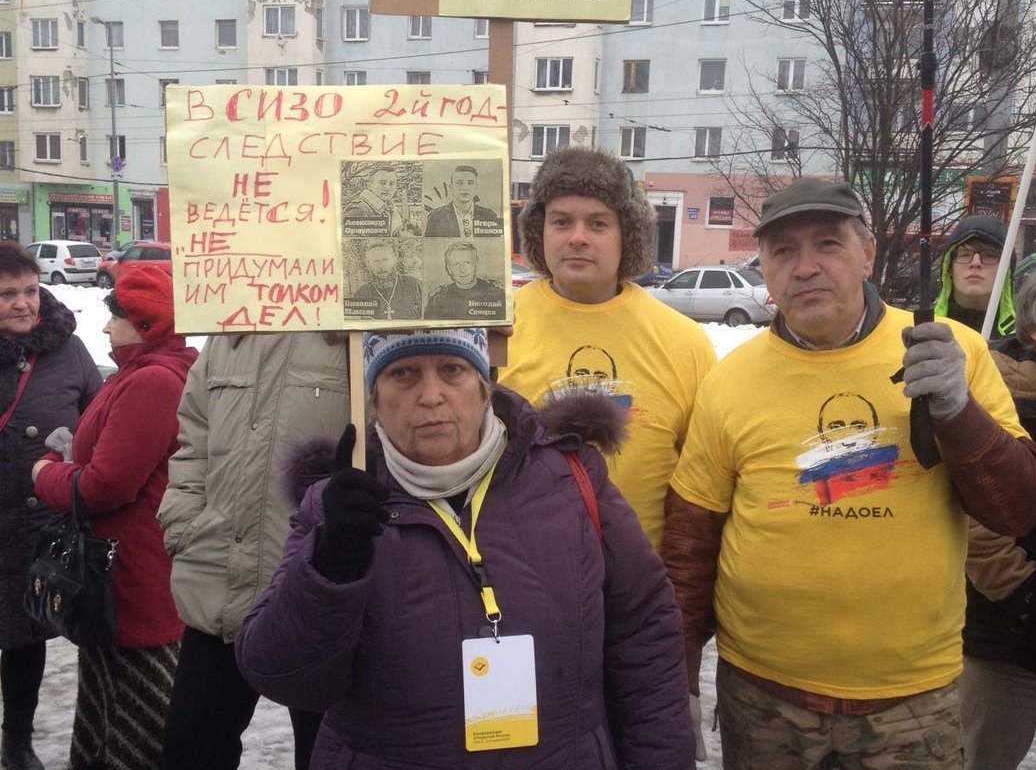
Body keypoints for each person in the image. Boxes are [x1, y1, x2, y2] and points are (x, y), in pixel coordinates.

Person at [661, 177, 1036, 769]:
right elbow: (689, 547)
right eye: (784, 251)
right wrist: (682, 679)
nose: (805, 267)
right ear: (765, 269)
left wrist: (958, 412)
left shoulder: (948, 353)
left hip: (913, 703)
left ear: (867, 253)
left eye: (828, 244)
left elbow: (1018, 507)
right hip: (764, 700)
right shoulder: (729, 381)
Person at [235, 328, 695, 768]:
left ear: (483, 387)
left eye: (452, 369)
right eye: (403, 373)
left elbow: (645, 639)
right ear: (374, 396)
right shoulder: (340, 505)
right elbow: (284, 676)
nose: (431, 395)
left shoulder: (570, 480)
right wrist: (332, 564)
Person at [496, 147, 716, 754]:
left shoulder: (682, 342)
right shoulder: (496, 326)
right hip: (517, 596)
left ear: (629, 236)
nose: (578, 237)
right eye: (561, 221)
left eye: (598, 223)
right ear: (538, 232)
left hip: (637, 605)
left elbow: (701, 495)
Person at [158, 331, 350, 770]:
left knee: (324, 757)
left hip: (320, 591)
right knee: (190, 750)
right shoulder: (230, 330)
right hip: (220, 584)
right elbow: (193, 439)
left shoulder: (356, 321)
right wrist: (185, 522)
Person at [32, 264, 197, 770]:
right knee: (107, 710)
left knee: (130, 726)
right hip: (115, 574)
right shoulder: (137, 372)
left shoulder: (153, 381)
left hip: (131, 579)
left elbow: (107, 486)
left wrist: (45, 474)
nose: (105, 327)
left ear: (146, 323)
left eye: (117, 317)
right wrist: (69, 458)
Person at [0, 242, 101, 770]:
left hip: (38, 523)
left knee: (23, 637)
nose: (23, 303)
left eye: (30, 290)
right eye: (7, 294)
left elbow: (99, 421)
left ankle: (16, 740)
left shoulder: (69, 349)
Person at [961, 258, 1036, 768]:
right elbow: (974, 510)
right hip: (1009, 632)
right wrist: (1023, 595)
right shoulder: (998, 396)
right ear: (1035, 327)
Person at [934, 213, 1015, 338]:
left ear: (1006, 270)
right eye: (965, 255)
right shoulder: (922, 330)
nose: (975, 263)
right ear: (949, 268)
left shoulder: (1024, 339)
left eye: (988, 255)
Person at [424, 241, 504, 319]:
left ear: (476, 265)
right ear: (449, 269)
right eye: (456, 264)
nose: (462, 270)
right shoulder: (438, 298)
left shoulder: (495, 293)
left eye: (468, 263)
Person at [349, 240, 422, 321]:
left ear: (394, 259)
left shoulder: (414, 285)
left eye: (385, 260)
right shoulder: (362, 293)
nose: (381, 266)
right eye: (376, 261)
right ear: (369, 264)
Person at [424, 164, 503, 238]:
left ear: (475, 187)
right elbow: (430, 245)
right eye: (459, 183)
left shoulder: (489, 215)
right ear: (451, 187)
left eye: (470, 183)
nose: (465, 188)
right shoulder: (436, 216)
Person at [345, 165, 419, 237]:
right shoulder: (359, 209)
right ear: (369, 185)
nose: (387, 188)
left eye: (392, 184)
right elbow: (352, 243)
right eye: (382, 183)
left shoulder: (393, 210)